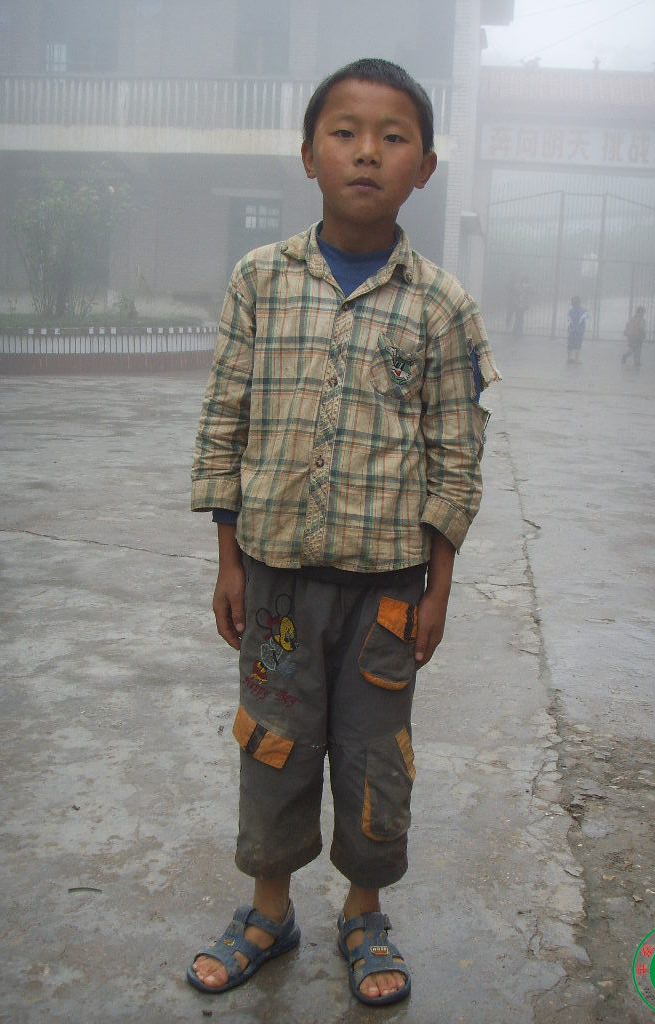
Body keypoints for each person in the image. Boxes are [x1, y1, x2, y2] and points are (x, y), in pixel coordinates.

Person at [187, 58, 500, 1008]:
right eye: (346, 132)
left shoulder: (441, 305)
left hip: (387, 596)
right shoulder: (259, 280)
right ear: (308, 155)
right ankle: (269, 911)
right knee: (273, 743)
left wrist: (438, 586)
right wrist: (229, 560)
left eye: (393, 137)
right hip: (275, 585)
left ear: (425, 167)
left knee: (374, 759)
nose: (368, 152)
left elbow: (456, 454)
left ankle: (364, 913)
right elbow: (225, 419)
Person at [566, 295, 587, 364]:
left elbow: (568, 319)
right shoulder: (583, 311)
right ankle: (576, 360)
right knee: (578, 344)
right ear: (580, 302)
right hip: (579, 330)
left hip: (571, 330)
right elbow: (585, 318)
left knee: (570, 344)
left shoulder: (570, 311)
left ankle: (569, 358)